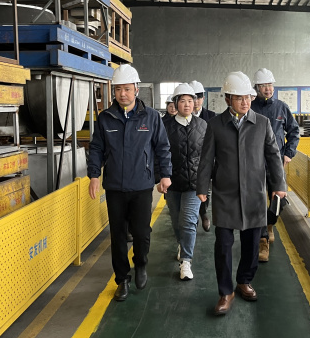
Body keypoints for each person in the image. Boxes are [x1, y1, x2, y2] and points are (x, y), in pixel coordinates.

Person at [196, 71, 286, 316]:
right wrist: (202, 187)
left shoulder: (262, 123)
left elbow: (273, 156)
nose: (245, 102)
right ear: (228, 99)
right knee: (223, 245)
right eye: (239, 98)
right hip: (225, 194)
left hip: (254, 194)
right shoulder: (216, 125)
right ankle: (225, 292)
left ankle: (244, 281)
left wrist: (279, 185)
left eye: (248, 97)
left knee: (252, 244)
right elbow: (206, 159)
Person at [87, 64, 172, 302]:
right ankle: (122, 279)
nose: (122, 94)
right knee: (118, 236)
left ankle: (141, 263)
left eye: (126, 89)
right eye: (117, 89)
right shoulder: (105, 118)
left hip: (142, 186)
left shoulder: (151, 117)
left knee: (142, 233)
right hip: (114, 187)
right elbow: (96, 148)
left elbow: (162, 147)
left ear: (136, 89)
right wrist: (94, 175)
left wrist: (165, 175)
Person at [251, 68, 300, 262]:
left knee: (278, 200)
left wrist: (288, 154)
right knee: (257, 200)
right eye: (264, 86)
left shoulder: (281, 107)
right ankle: (263, 241)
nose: (268, 89)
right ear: (257, 88)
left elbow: (294, 131)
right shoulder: (250, 107)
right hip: (254, 162)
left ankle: (269, 225)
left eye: (270, 85)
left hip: (276, 162)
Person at [160, 83, 207, 281]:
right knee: (176, 221)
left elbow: (208, 156)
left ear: (194, 103)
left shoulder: (203, 126)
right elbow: (159, 153)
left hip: (194, 184)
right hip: (173, 183)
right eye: (183, 101)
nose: (187, 104)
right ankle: (182, 243)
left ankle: (186, 262)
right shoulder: (165, 127)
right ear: (176, 103)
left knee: (188, 221)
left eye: (190, 100)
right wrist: (161, 177)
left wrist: (206, 182)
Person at [189, 80, 215, 232]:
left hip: (206, 159)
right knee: (191, 190)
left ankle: (204, 213)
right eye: (193, 97)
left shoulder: (211, 116)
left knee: (206, 189)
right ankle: (195, 216)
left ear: (203, 98)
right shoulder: (183, 116)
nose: (196, 101)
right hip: (189, 160)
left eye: (199, 97)